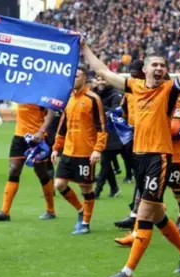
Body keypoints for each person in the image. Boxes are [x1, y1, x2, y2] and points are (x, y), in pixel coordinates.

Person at [81, 23, 180, 277]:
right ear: (144, 69)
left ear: (166, 71)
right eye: (154, 65)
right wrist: (84, 47)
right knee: (156, 214)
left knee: (145, 214)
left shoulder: (169, 90)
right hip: (140, 157)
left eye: (162, 66)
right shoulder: (133, 86)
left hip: (160, 157)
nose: (159, 68)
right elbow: (101, 69)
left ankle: (127, 271)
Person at [114, 96, 180, 248]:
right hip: (151, 155)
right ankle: (135, 233)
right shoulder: (149, 100)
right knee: (144, 195)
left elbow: (174, 131)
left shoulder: (177, 102)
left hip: (174, 157)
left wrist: (152, 128)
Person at [51, 65, 106, 234]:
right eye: (72, 76)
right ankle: (81, 210)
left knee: (86, 188)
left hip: (85, 152)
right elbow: (62, 126)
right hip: (68, 150)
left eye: (77, 75)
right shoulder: (68, 98)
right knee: (59, 184)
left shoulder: (93, 98)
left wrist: (98, 149)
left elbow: (101, 126)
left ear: (85, 78)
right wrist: (56, 148)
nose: (74, 78)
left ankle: (85, 223)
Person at [113, 60, 145, 230]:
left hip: (150, 136)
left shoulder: (149, 89)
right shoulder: (128, 92)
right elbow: (123, 111)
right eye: (131, 71)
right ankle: (136, 213)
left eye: (136, 71)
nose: (132, 74)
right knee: (140, 176)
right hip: (133, 136)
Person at [94, 75, 123, 198]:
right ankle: (114, 188)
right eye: (99, 79)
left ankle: (97, 191)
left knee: (105, 162)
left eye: (104, 79)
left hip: (113, 134)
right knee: (106, 162)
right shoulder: (94, 94)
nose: (101, 82)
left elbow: (113, 113)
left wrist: (97, 105)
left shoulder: (116, 95)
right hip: (100, 132)